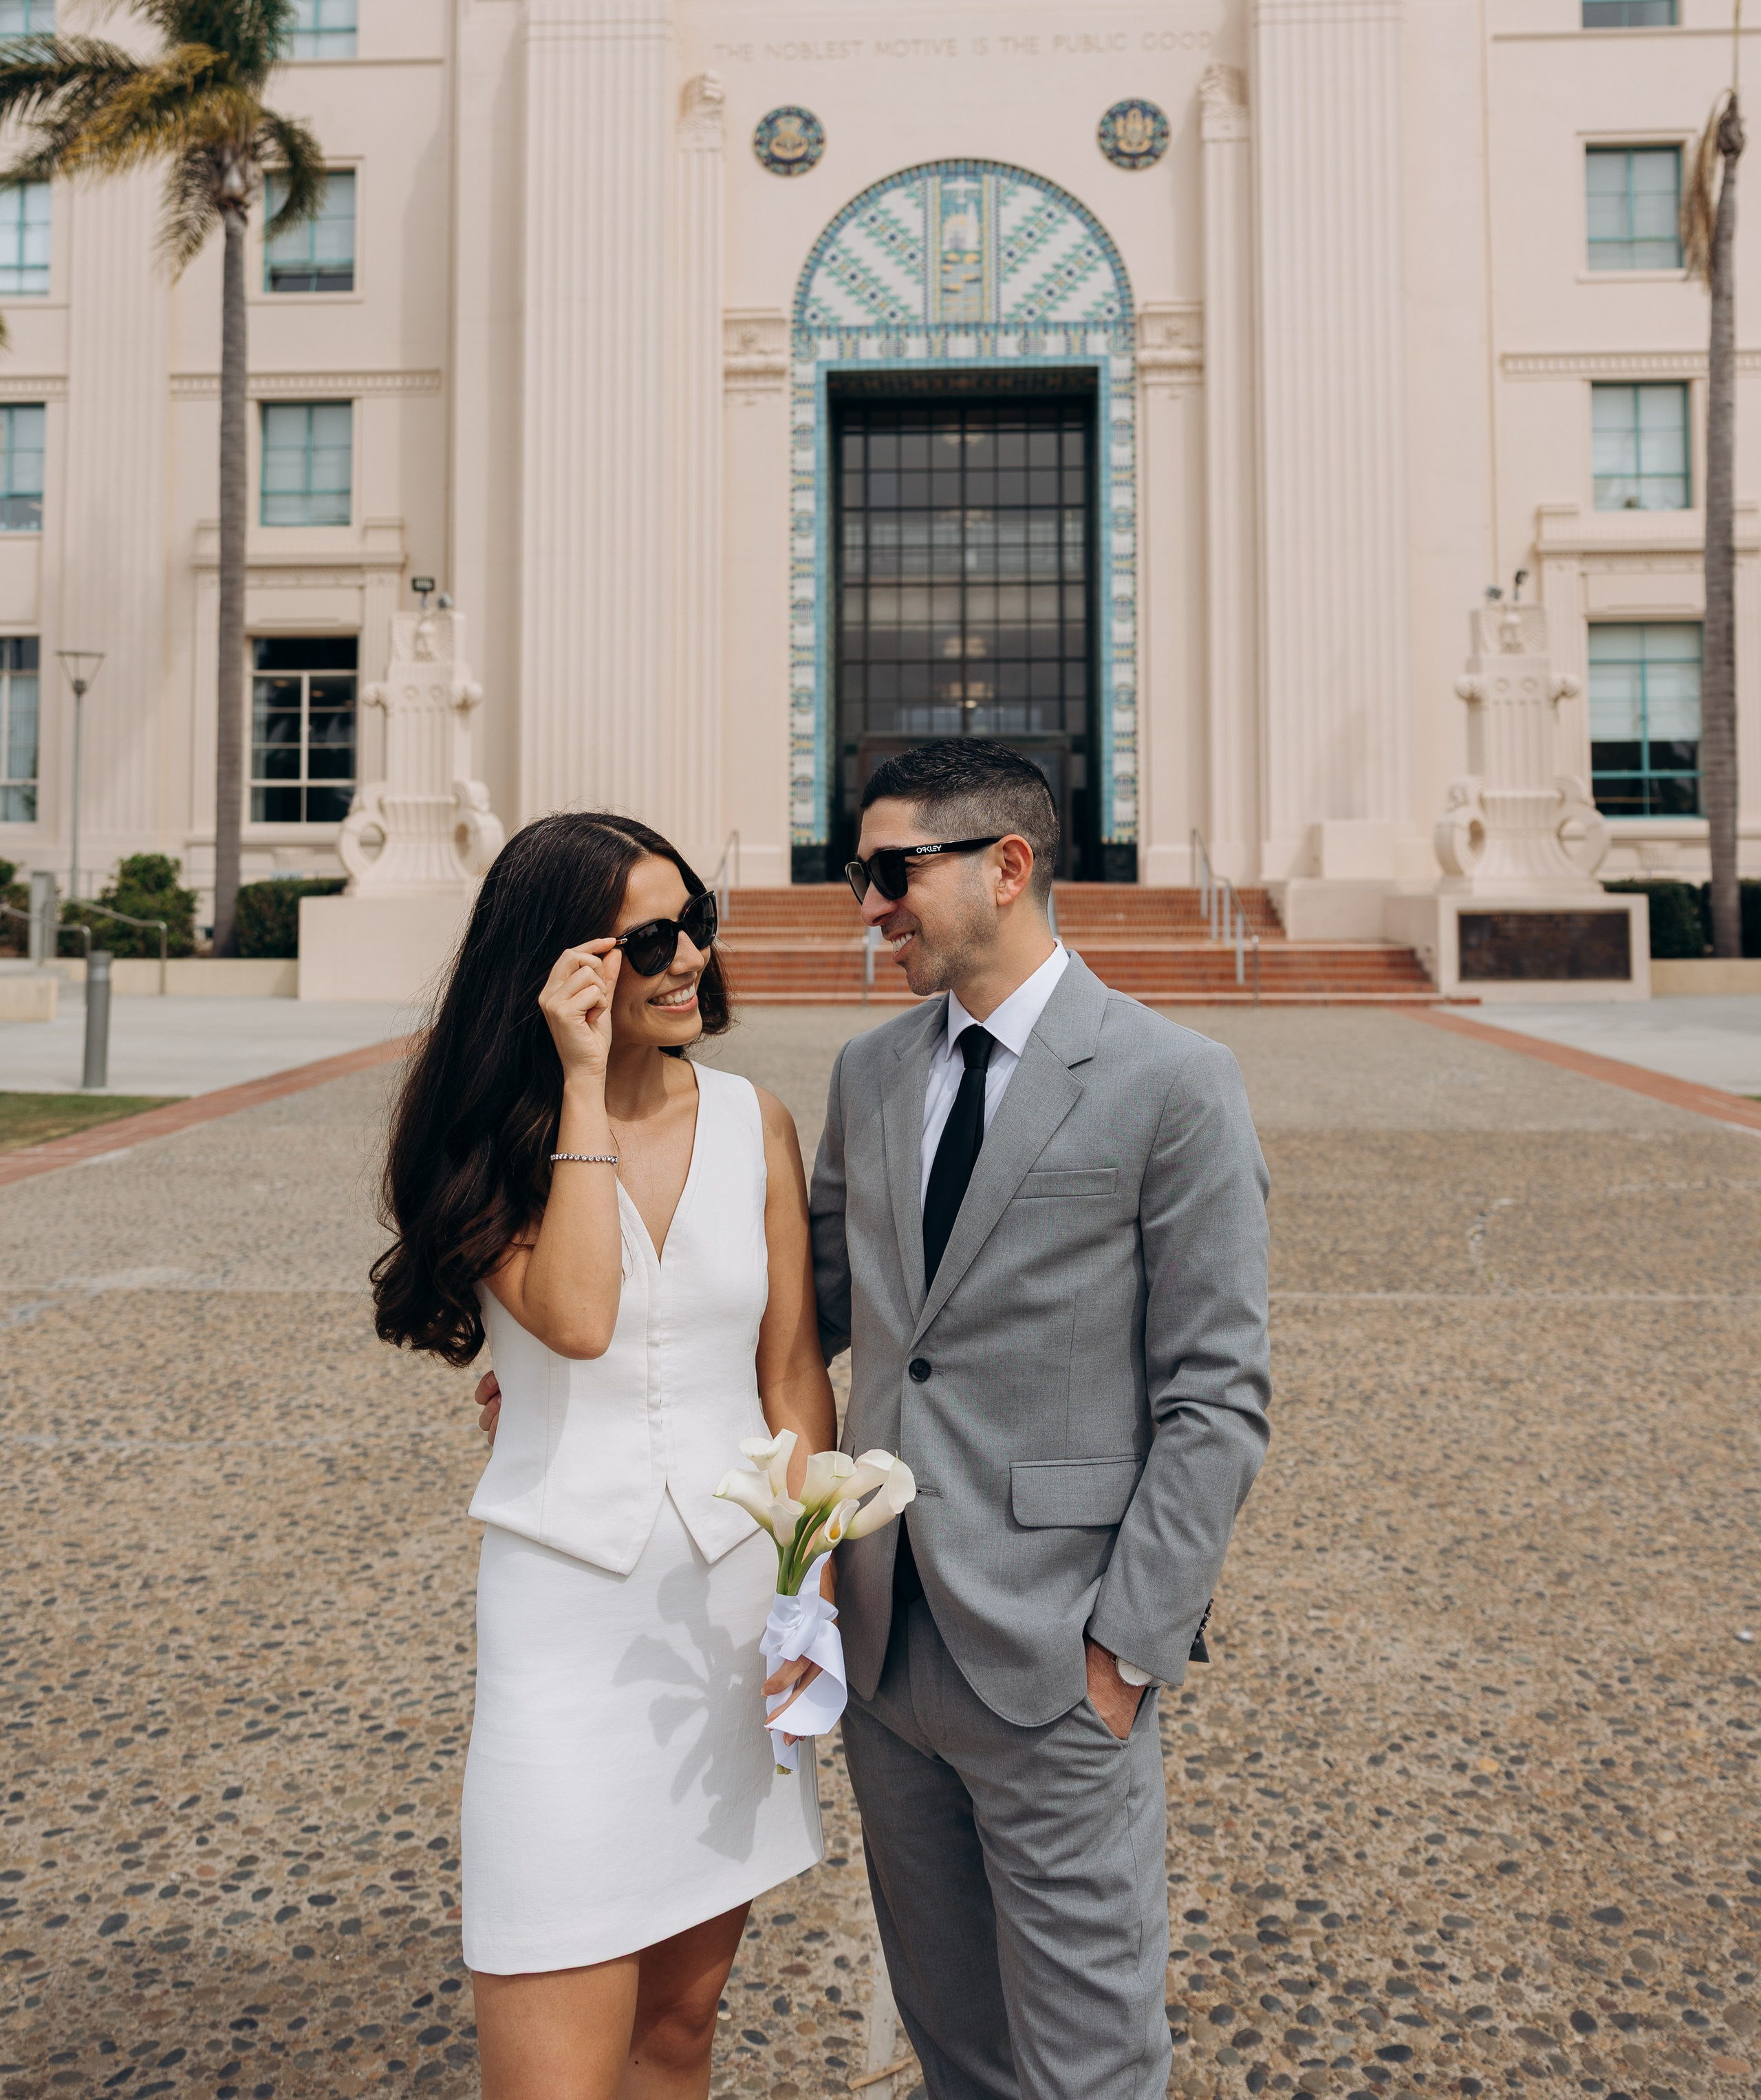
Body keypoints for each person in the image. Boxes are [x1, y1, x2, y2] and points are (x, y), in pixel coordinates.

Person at [810, 737, 1272, 2100]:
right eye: (859, 875)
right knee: (957, 2051)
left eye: (891, 871)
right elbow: (805, 1309)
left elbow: (1215, 1395)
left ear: (1005, 868)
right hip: (885, 1656)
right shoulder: (870, 1074)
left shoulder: (1170, 1080)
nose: (870, 904)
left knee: (1086, 2066)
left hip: (1059, 1659)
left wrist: (1123, 1649)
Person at [371, 811, 834, 2100]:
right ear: (567, 964)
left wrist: (815, 1602)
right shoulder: (483, 1141)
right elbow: (576, 1321)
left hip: (733, 1620)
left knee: (676, 2041)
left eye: (698, 922)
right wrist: (579, 1082)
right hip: (566, 1620)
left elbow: (789, 1375)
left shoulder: (760, 1122)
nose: (688, 957)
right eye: (651, 937)